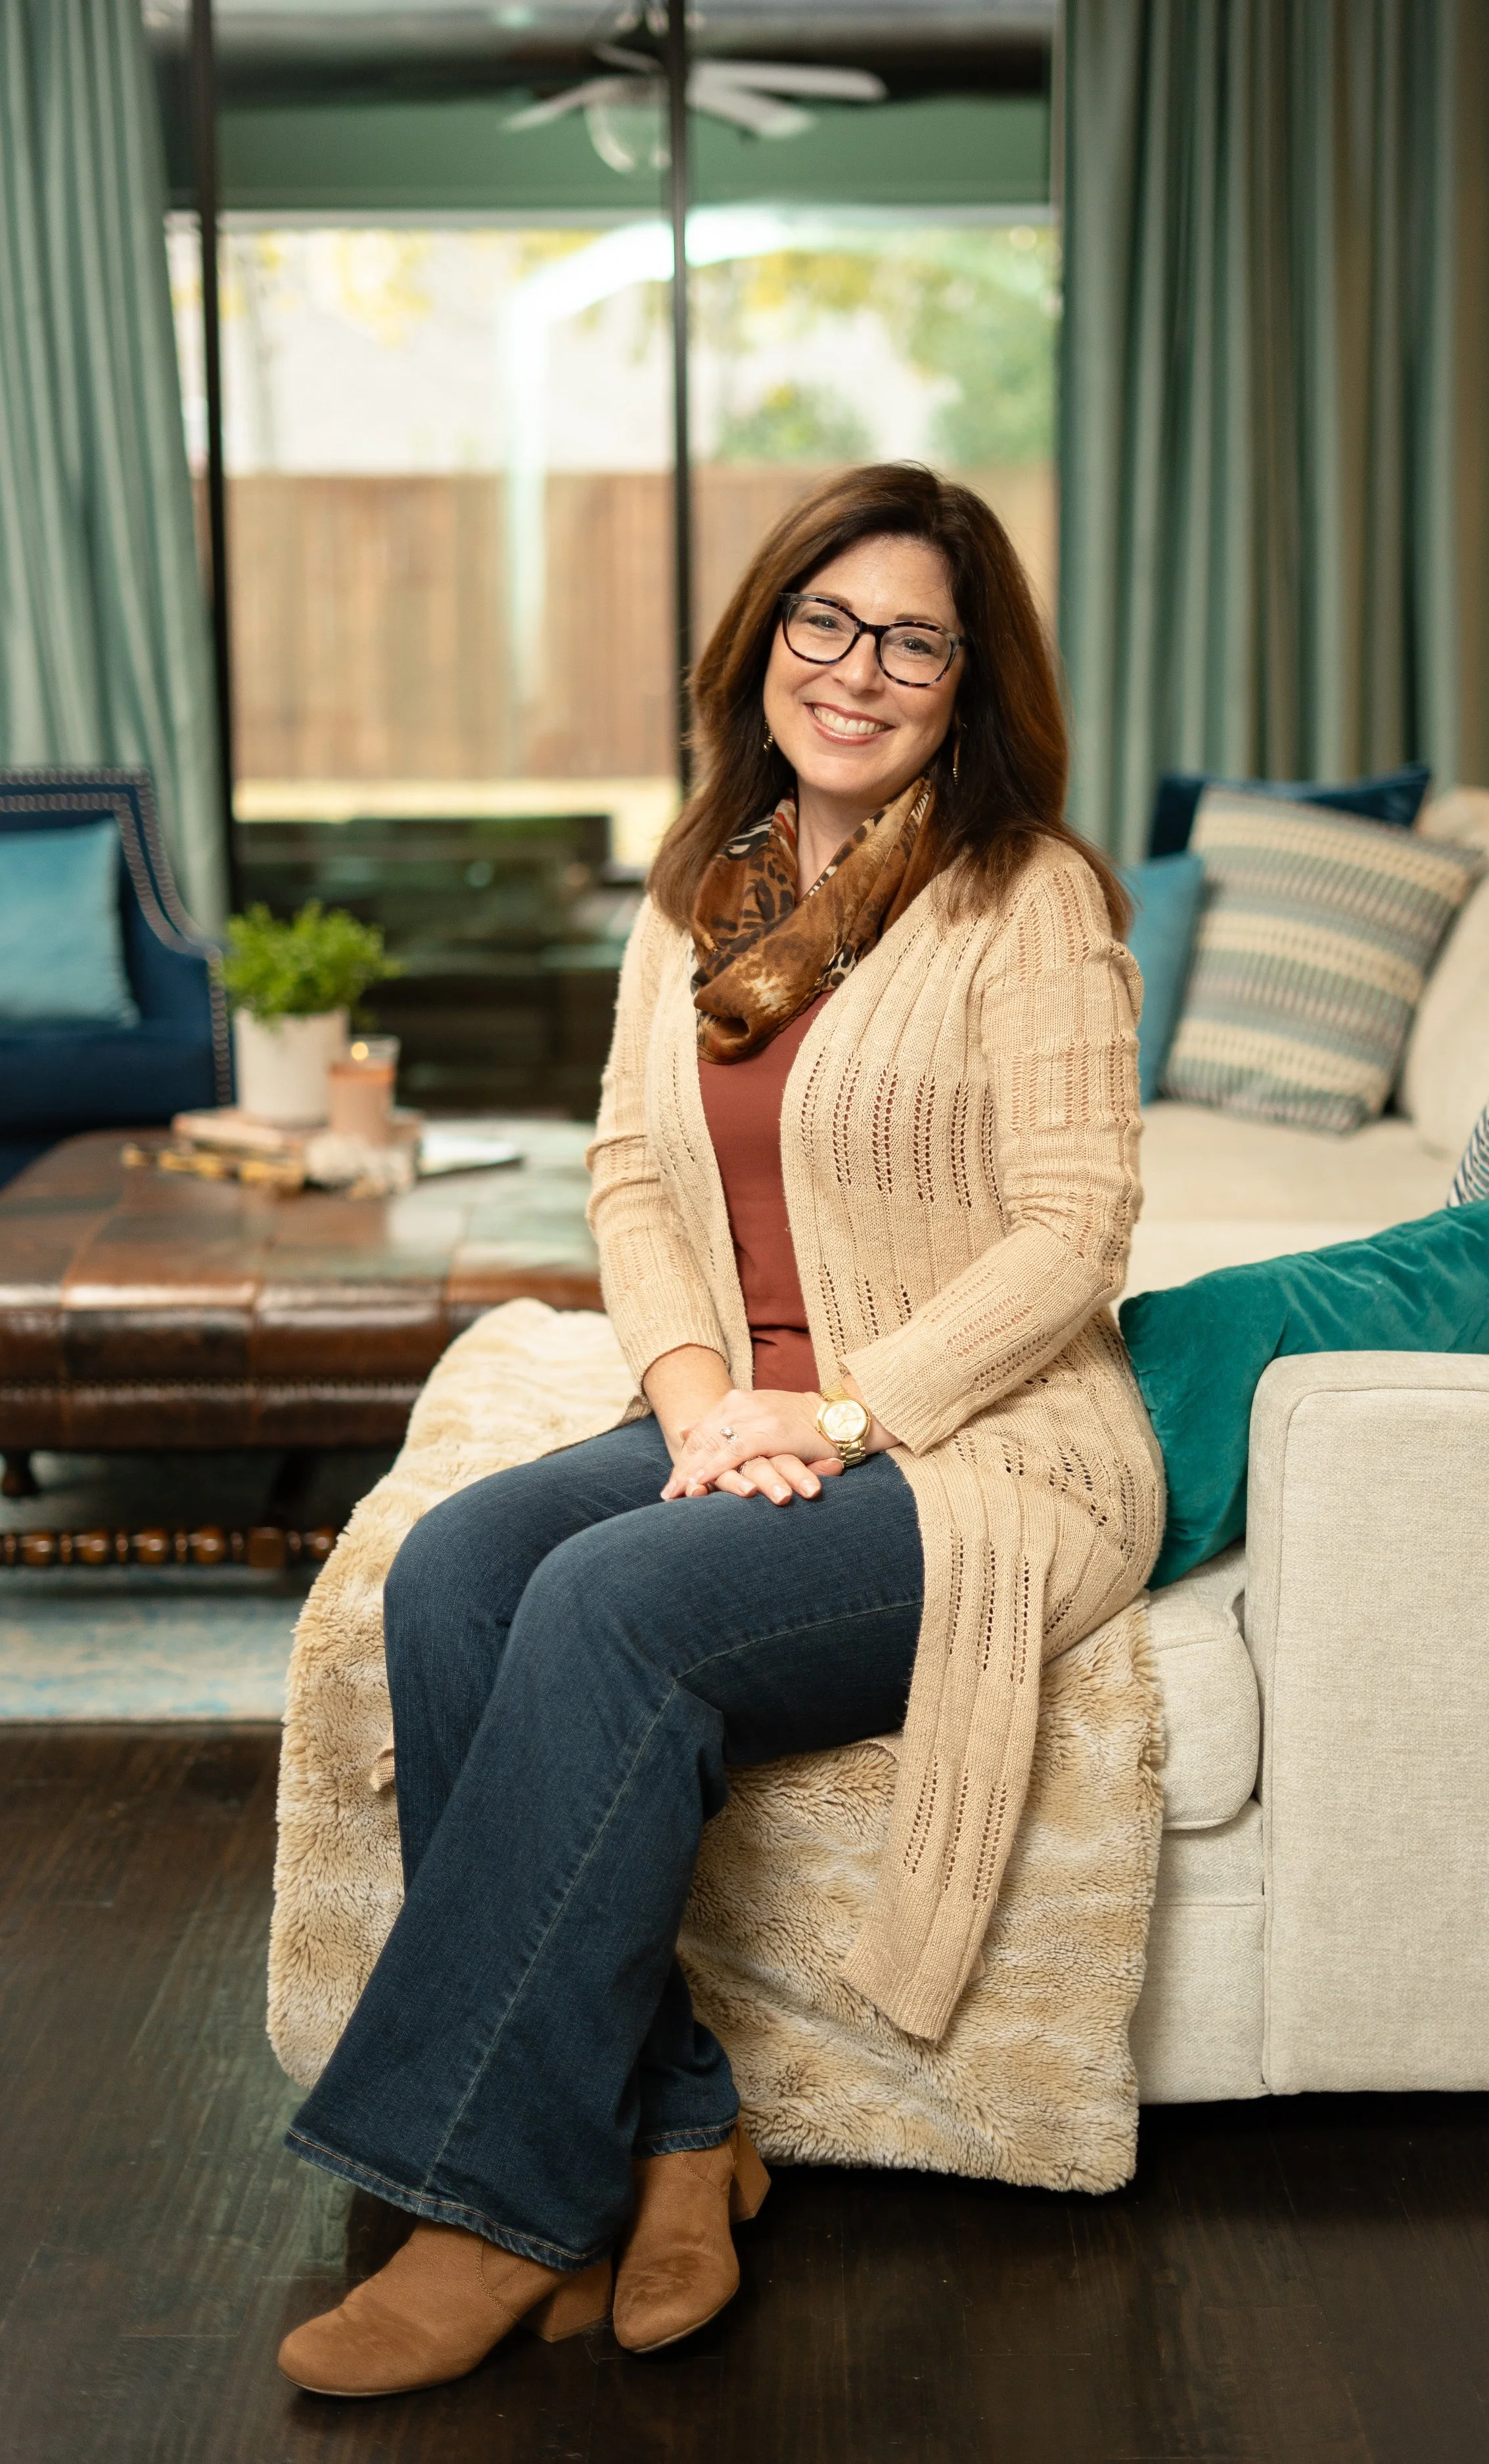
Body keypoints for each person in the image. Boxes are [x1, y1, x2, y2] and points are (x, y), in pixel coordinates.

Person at [275, 462, 1163, 2400]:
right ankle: (678, 2123)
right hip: (742, 1407)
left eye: (911, 638)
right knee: (456, 1574)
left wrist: (838, 1411)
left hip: (978, 1447)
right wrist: (699, 1403)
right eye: (822, 621)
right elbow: (630, 1176)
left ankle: (495, 2204)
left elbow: (1074, 1229)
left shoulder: (1034, 903)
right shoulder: (702, 890)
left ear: (968, 679)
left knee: (606, 1608)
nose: (857, 668)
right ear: (762, 641)